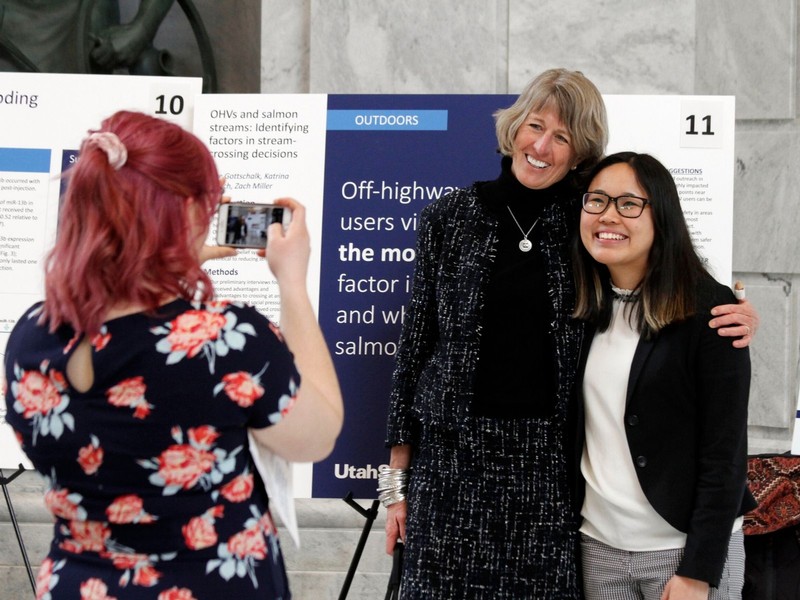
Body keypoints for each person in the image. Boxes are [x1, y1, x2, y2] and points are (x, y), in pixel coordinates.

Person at [381, 68, 759, 599]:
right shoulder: (450, 218)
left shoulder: (587, 222)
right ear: (513, 128)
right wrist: (396, 486)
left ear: (580, 153)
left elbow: (660, 270)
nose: (542, 146)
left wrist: (732, 307)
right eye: (534, 126)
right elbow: (415, 350)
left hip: (549, 480)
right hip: (450, 472)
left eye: (562, 137)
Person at [3, 110, 343, 599]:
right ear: (185, 213)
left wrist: (171, 257)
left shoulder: (32, 336)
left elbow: (127, 331)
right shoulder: (226, 339)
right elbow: (316, 437)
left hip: (78, 585)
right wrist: (292, 283)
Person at [572, 152, 754, 600]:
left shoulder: (711, 312)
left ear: (663, 217)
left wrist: (699, 570)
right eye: (596, 200)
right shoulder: (578, 306)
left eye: (629, 204)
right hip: (599, 548)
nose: (608, 215)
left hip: (683, 552)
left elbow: (725, 452)